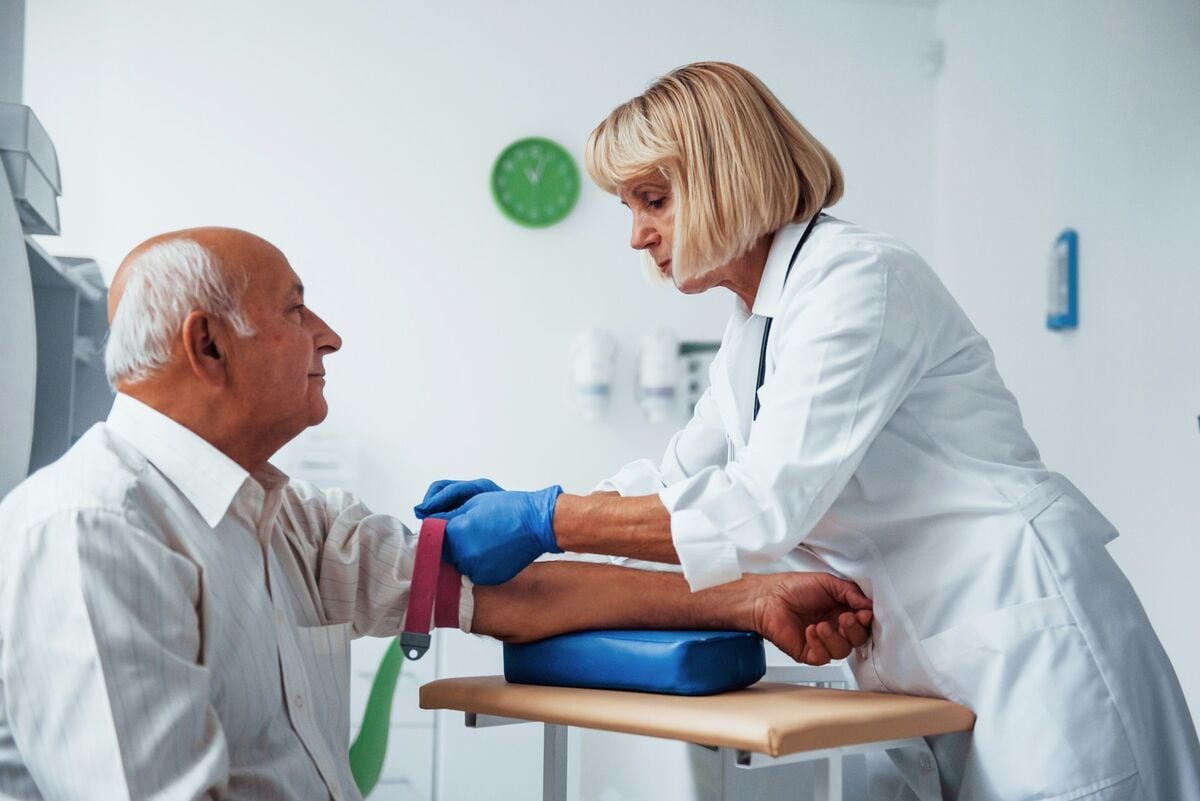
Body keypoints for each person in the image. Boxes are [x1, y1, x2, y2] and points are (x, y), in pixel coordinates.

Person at [416, 62, 1200, 800]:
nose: (637, 237)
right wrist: (538, 507)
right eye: (630, 209)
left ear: (726, 178)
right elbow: (682, 478)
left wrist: (544, 517)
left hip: (1024, 635)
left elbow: (759, 508)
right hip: (916, 649)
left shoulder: (860, 280)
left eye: (653, 201)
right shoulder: (754, 325)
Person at [0, 227, 874, 801]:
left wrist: (745, 599)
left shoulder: (280, 516)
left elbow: (506, 593)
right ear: (208, 345)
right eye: (297, 308)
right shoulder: (94, 531)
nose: (330, 336)